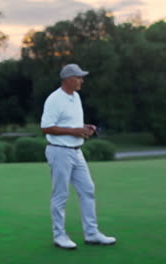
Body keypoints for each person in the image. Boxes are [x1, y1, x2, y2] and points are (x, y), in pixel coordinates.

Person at [40, 64, 116, 250]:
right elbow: (46, 127)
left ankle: (91, 233)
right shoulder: (54, 99)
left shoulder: (76, 97)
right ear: (68, 79)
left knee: (88, 189)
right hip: (59, 151)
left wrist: (84, 127)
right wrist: (74, 131)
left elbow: (71, 124)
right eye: (79, 77)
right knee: (61, 194)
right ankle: (59, 236)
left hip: (76, 151)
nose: (82, 80)